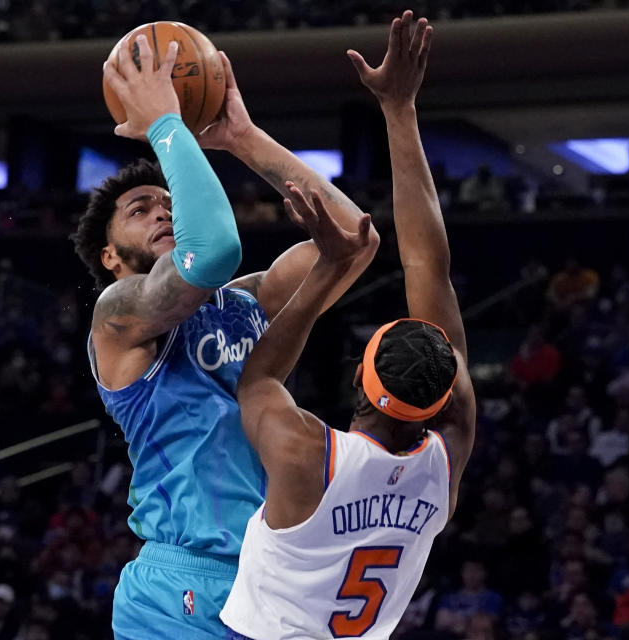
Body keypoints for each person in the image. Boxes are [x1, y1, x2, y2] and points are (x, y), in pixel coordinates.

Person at [74, 33, 378, 640]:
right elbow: (210, 251)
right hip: (182, 584)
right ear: (109, 256)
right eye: (140, 209)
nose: (164, 210)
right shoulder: (118, 316)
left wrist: (244, 139)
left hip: (278, 576)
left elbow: (354, 240)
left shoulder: (245, 299)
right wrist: (166, 124)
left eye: (167, 201)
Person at [221, 13, 476, 638]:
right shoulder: (446, 457)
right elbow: (429, 265)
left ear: (359, 386)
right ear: (445, 397)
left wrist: (329, 268)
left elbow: (255, 378)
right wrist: (399, 111)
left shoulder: (310, 453)